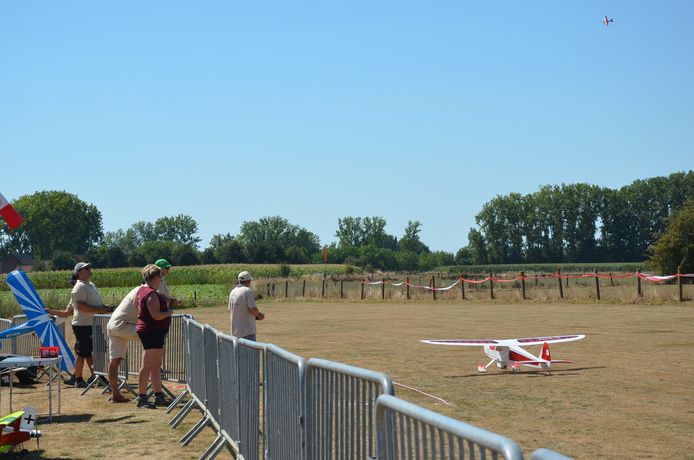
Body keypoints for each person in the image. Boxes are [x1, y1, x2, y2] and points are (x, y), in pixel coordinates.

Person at [47, 262, 110, 388]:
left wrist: (103, 308)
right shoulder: (79, 287)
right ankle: (79, 379)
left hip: (92, 323)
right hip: (83, 325)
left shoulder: (90, 285)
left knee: (95, 351)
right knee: (83, 353)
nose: (89, 270)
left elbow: (69, 311)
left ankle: (97, 375)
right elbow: (80, 307)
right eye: (86, 268)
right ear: (79, 272)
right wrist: (99, 309)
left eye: (89, 268)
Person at [135, 264, 173, 409]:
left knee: (156, 365)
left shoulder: (141, 290)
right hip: (152, 332)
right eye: (161, 277)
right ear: (156, 277)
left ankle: (158, 395)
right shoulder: (150, 293)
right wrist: (168, 313)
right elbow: (156, 315)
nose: (161, 280)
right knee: (147, 366)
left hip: (155, 332)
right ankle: (142, 397)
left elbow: (135, 305)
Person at [106, 285, 140, 403]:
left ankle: (115, 394)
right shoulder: (143, 291)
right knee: (153, 338)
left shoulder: (135, 290)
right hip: (123, 325)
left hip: (113, 324)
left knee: (114, 360)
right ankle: (147, 392)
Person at [228, 270, 264, 341]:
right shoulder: (247, 291)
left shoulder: (232, 292)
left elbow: (230, 310)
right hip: (247, 331)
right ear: (248, 280)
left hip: (235, 333)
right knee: (251, 351)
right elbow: (252, 309)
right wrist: (259, 315)